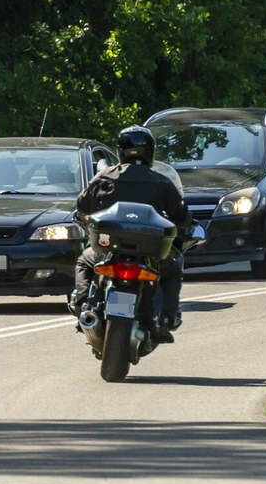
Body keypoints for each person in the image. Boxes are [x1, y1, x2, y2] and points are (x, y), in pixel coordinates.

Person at [70, 125, 192, 341]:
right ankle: (167, 316)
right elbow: (181, 217)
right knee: (173, 268)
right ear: (150, 152)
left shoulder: (104, 178)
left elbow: (82, 206)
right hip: (150, 254)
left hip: (108, 250)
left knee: (84, 261)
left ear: (120, 150)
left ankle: (82, 304)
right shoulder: (161, 182)